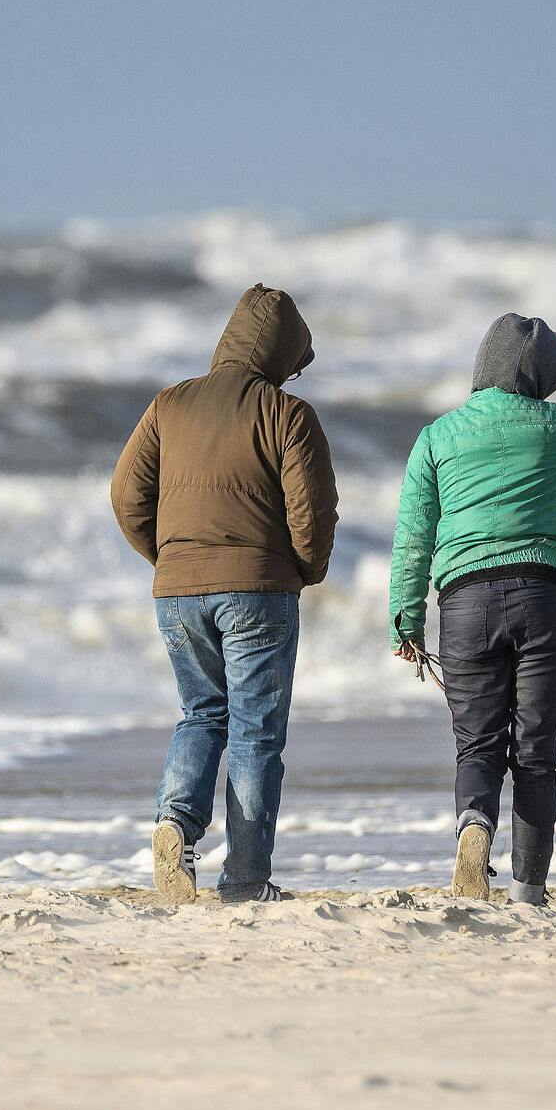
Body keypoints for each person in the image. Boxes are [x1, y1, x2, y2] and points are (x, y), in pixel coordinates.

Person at [389, 314, 556, 905]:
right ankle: (529, 890)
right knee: (535, 747)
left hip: (464, 603)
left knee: (476, 744)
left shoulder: (437, 436)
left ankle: (474, 828)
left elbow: (413, 536)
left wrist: (405, 616)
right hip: (544, 596)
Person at [111, 284, 338, 904]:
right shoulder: (288, 415)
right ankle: (244, 879)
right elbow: (311, 516)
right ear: (283, 353)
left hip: (177, 590)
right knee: (255, 733)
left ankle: (173, 826)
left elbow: (126, 498)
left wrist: (169, 559)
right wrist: (304, 570)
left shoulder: (170, 404)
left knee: (201, 714)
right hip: (258, 591)